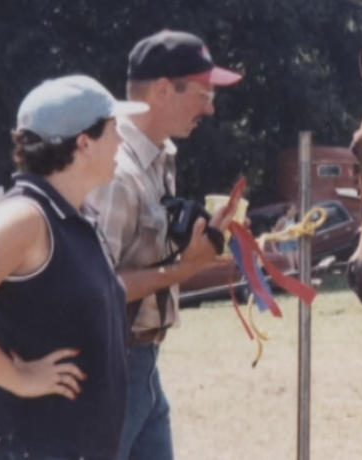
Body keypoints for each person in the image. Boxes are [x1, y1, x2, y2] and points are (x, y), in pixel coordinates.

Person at [0, 75, 149, 460]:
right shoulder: (26, 216)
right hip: (19, 446)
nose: (122, 141)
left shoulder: (71, 216)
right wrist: (18, 378)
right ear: (84, 143)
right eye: (113, 129)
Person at [87, 30, 243, 460]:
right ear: (161, 90)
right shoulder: (116, 173)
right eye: (203, 94)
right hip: (111, 368)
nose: (210, 108)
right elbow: (96, 289)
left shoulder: (155, 158)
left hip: (143, 365)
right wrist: (184, 267)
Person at [272, 203, 299, 270]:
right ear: (288, 211)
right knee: (291, 265)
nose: (295, 211)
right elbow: (274, 233)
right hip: (286, 243)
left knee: (299, 262)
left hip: (294, 241)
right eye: (293, 210)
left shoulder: (293, 219)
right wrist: (274, 248)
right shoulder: (282, 221)